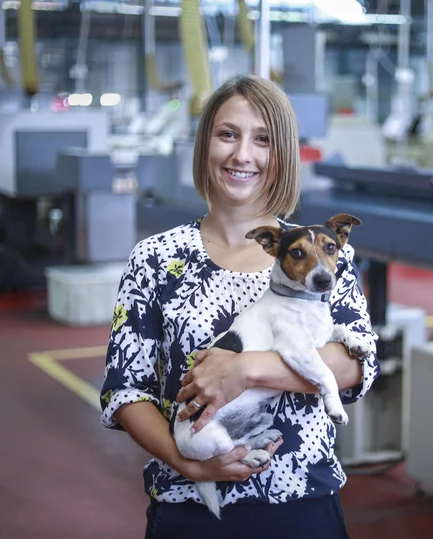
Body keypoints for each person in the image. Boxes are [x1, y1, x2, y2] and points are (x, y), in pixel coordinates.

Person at [99, 74, 380, 539]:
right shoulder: (155, 258)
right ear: (205, 143)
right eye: (227, 134)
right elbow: (125, 391)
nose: (242, 155)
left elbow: (354, 365)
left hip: (301, 503)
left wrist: (245, 369)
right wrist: (187, 461)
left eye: (262, 140)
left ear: (282, 154)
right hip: (189, 507)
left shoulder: (325, 257)